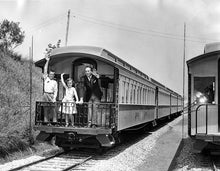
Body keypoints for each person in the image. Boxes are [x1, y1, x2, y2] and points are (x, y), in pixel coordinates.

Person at [43, 53, 58, 124]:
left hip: (52, 95)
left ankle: (54, 122)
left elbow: (56, 91)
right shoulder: (46, 79)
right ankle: (46, 121)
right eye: (50, 74)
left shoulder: (55, 82)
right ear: (49, 74)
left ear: (54, 75)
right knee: (46, 108)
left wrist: (54, 98)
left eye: (53, 74)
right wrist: (47, 61)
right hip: (46, 94)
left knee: (53, 108)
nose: (51, 75)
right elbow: (45, 69)